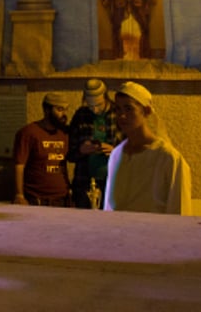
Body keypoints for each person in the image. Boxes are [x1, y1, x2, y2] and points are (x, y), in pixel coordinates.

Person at [103, 81, 191, 214]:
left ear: (146, 111)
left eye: (128, 109)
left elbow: (180, 209)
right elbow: (109, 207)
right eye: (118, 109)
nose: (121, 116)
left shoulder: (168, 158)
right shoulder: (117, 154)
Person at [67, 78, 120, 208]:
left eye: (99, 105)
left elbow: (133, 150)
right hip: (84, 181)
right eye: (91, 106)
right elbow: (69, 154)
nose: (95, 110)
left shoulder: (118, 114)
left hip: (113, 181)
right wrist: (81, 150)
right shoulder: (81, 115)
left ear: (105, 98)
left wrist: (115, 151)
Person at [12, 92, 70, 206]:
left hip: (61, 199)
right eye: (59, 109)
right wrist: (19, 195)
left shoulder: (64, 133)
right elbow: (19, 165)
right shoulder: (29, 133)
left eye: (65, 109)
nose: (64, 114)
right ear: (47, 110)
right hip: (37, 199)